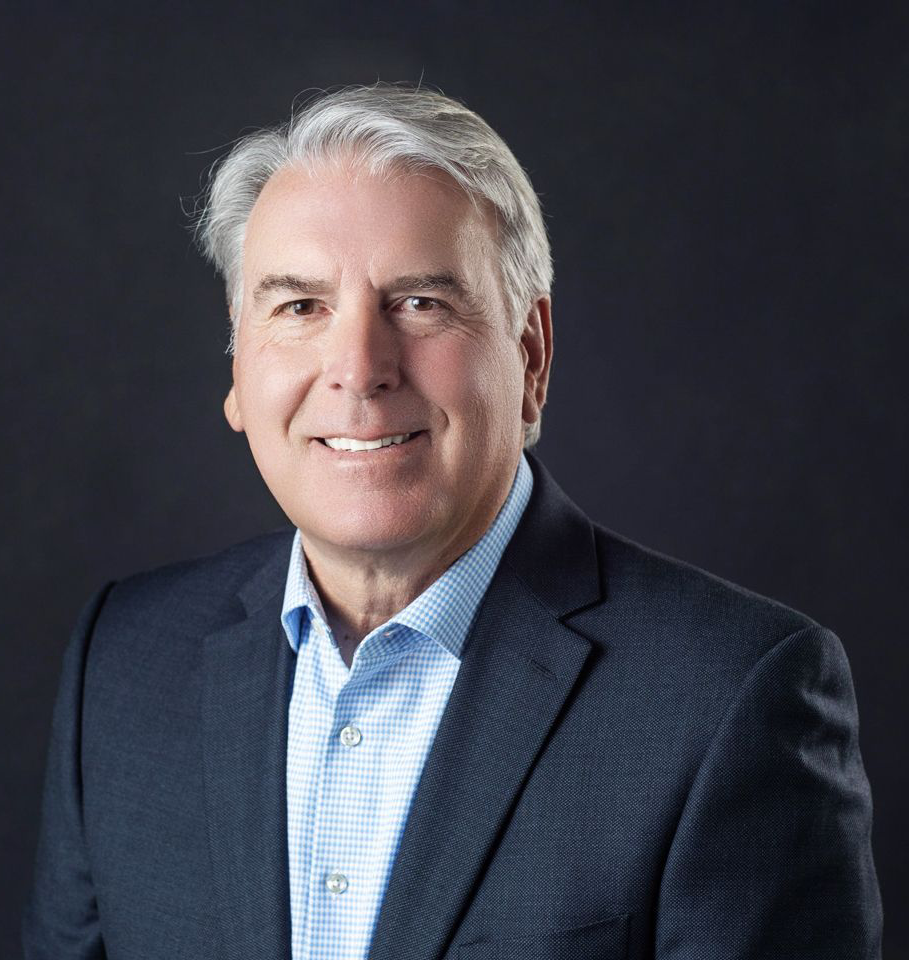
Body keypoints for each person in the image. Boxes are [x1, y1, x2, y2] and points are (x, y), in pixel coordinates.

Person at [23, 83, 882, 960]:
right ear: (240, 372)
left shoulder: (733, 695)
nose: (357, 370)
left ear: (531, 356)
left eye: (420, 303)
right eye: (299, 307)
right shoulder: (123, 663)